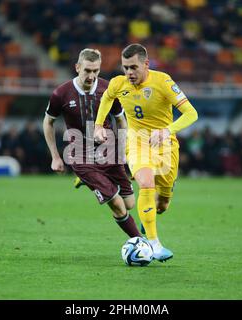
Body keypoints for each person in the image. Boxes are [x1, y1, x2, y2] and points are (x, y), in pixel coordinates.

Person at [94, 44, 198, 262]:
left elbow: (191, 114)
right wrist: (98, 125)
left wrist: (167, 130)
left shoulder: (163, 82)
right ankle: (153, 243)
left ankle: (154, 208)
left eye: (134, 67)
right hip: (137, 142)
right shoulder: (117, 84)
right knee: (146, 183)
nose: (129, 73)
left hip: (166, 144)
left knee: (162, 205)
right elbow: (106, 99)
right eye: (125, 68)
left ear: (146, 64)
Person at [43, 48, 140, 239]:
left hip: (109, 151)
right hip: (80, 155)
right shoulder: (61, 94)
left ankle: (85, 180)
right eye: (87, 70)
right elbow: (48, 121)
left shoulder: (108, 89)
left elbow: (121, 120)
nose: (92, 76)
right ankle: (142, 242)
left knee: (129, 204)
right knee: (117, 205)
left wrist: (125, 151)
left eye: (96, 71)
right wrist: (55, 156)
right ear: (77, 67)